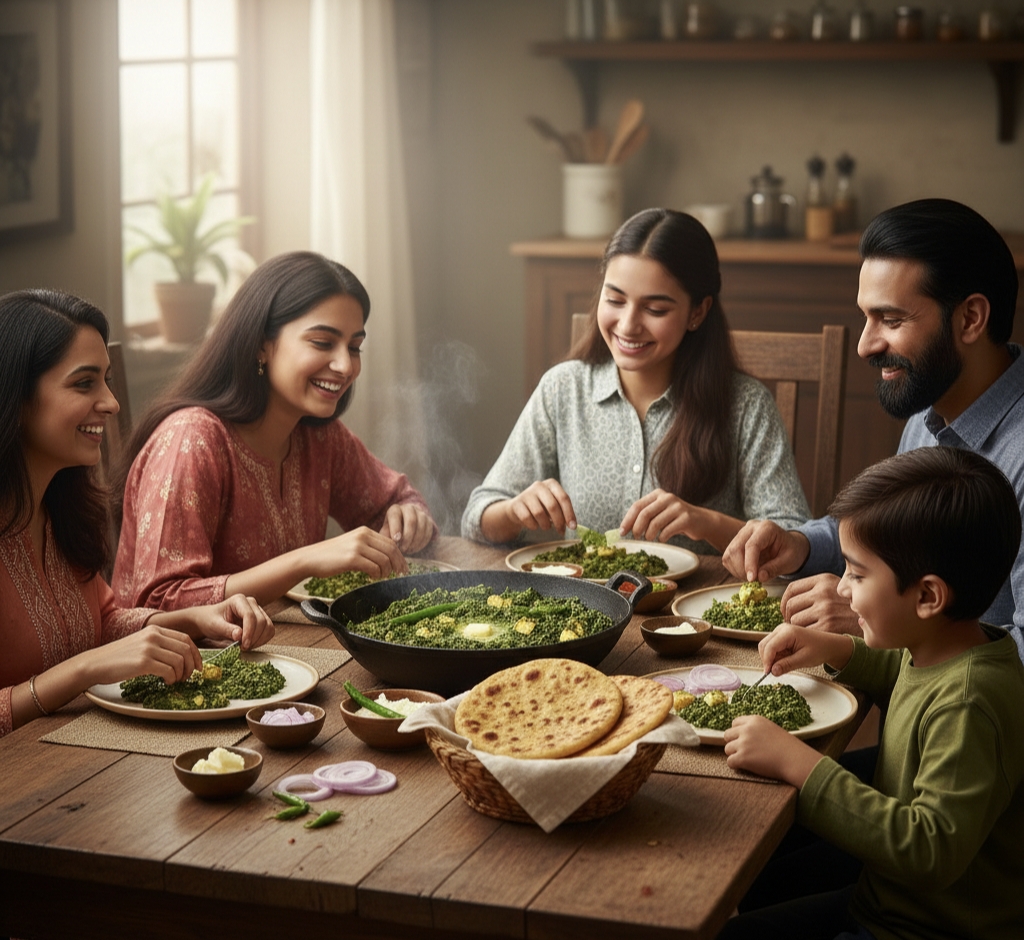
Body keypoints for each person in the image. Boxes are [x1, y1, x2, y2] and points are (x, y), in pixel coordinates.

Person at [720, 447, 1024, 939]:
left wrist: (797, 763)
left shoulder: (970, 702)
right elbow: (903, 672)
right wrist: (834, 647)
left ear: (927, 597)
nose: (840, 589)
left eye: (857, 575)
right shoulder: (943, 645)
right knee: (756, 888)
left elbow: (929, 850)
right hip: (883, 896)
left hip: (922, 926)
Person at [722, 198, 1024, 661]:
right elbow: (888, 531)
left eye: (892, 319)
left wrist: (885, 617)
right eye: (867, 317)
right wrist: (800, 544)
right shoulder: (931, 408)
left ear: (970, 319)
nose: (866, 344)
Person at [0, 290, 274, 737]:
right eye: (84, 383)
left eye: (106, 381)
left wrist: (193, 618)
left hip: (80, 759)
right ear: (16, 398)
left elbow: (103, 622)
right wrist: (81, 670)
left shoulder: (59, 508)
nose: (111, 403)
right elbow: (91, 657)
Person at [461, 208, 809, 554]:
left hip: (694, 607)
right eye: (614, 299)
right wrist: (514, 511)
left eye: (655, 310)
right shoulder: (563, 390)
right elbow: (478, 516)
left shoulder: (746, 405)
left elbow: (793, 538)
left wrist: (705, 522)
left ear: (697, 312)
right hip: (584, 604)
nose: (628, 325)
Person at [112, 252, 437, 611]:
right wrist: (304, 561)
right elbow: (157, 603)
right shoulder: (191, 441)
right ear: (261, 345)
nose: (346, 366)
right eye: (322, 343)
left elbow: (394, 499)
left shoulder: (319, 437)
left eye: (354, 347)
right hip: (189, 663)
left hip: (288, 648)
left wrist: (407, 516)